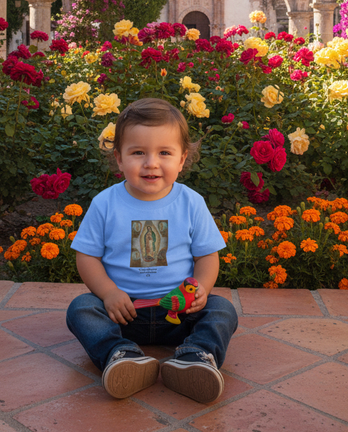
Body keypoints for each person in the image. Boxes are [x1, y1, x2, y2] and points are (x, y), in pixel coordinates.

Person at [66, 97, 238, 403]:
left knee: (222, 309)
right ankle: (119, 355)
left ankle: (196, 356)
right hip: (123, 312)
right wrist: (107, 293)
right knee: (80, 309)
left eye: (164, 153)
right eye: (138, 153)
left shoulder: (190, 202)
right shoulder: (106, 204)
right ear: (119, 158)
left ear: (182, 159)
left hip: (180, 311)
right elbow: (87, 256)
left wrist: (201, 288)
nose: (151, 163)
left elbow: (207, 256)